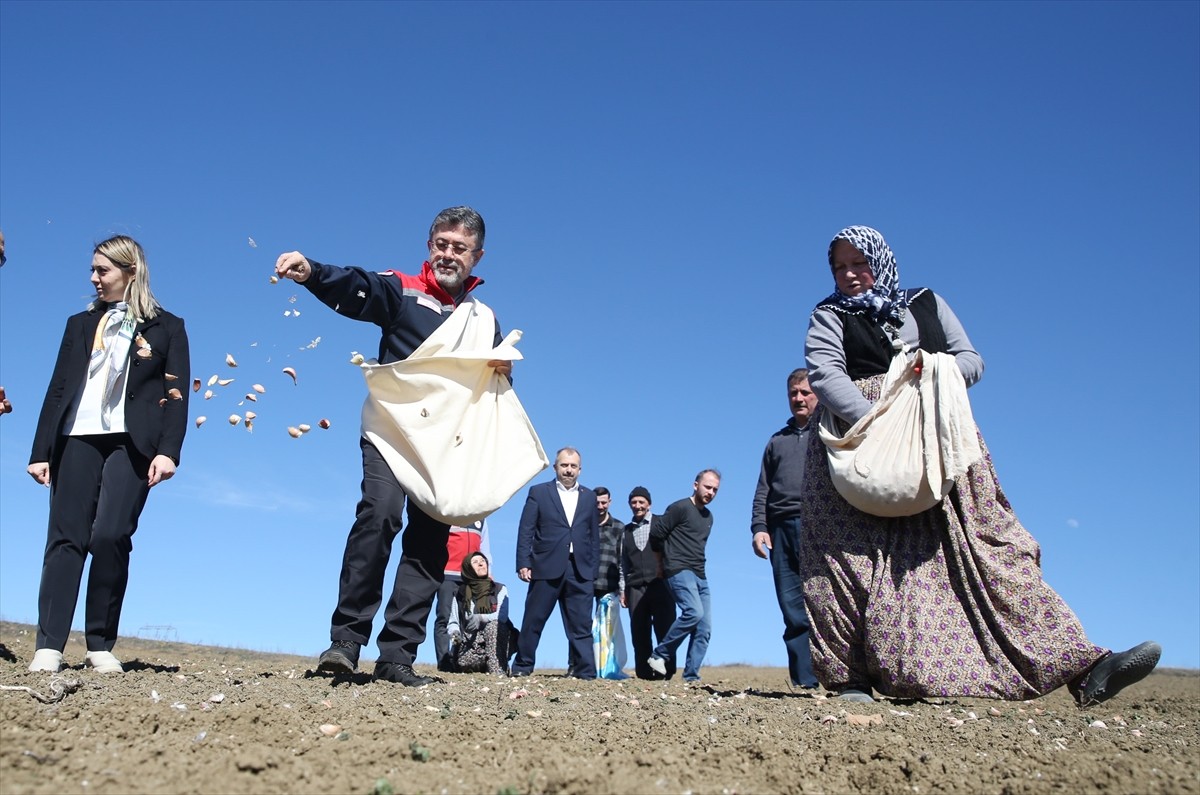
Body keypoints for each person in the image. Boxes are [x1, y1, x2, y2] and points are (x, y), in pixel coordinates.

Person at [801, 224, 1160, 705]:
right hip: (859, 443)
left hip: (938, 441)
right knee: (846, 557)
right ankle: (851, 681)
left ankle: (1086, 666)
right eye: (839, 267)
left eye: (859, 263)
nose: (849, 275)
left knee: (990, 547)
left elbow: (971, 360)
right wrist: (880, 425)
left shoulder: (926, 302)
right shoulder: (828, 315)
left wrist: (937, 369)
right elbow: (825, 373)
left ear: (881, 260)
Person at [275, 206, 512, 687]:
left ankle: (397, 656)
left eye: (459, 248)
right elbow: (359, 286)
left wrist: (505, 370)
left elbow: (495, 383)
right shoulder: (402, 289)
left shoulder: (484, 319)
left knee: (428, 543)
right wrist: (313, 273)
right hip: (390, 432)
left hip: (445, 449)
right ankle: (345, 642)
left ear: (477, 255)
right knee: (380, 514)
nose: (448, 254)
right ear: (430, 246)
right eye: (441, 244)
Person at [26, 235, 190, 674]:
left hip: (133, 442)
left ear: (130, 272)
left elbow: (175, 393)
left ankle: (99, 642)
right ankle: (50, 645)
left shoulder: (168, 327)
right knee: (66, 537)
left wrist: (169, 451)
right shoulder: (78, 324)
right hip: (76, 436)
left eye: (103, 270)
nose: (94, 278)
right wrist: (41, 450)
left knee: (111, 535)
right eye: (93, 270)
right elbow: (58, 387)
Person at [751, 368, 820, 690]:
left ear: (818, 393)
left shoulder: (832, 434)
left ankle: (839, 675)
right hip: (780, 529)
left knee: (825, 602)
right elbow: (763, 489)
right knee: (791, 605)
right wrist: (759, 527)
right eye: (793, 393)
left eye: (805, 392)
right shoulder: (776, 441)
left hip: (822, 527)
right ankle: (805, 680)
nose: (799, 398)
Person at [512, 447, 599, 678]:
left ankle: (586, 672)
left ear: (580, 469)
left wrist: (593, 569)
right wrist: (523, 561)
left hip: (579, 569)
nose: (568, 470)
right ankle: (522, 667)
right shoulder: (539, 492)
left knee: (581, 624)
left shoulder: (589, 497)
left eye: (573, 466)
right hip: (545, 565)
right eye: (564, 465)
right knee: (533, 619)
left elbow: (593, 536)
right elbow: (526, 530)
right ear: (555, 467)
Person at [646, 470, 721, 683]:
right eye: (708, 487)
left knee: (705, 628)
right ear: (695, 485)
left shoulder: (708, 517)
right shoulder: (679, 508)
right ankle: (659, 654)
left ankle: (691, 677)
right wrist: (661, 563)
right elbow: (656, 534)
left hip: (700, 573)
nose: (711, 492)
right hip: (678, 569)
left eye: (715, 490)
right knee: (694, 612)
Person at [621, 486, 676, 680]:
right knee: (639, 631)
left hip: (661, 585)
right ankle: (644, 673)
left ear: (649, 504)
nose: (637, 506)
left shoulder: (662, 523)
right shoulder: (625, 531)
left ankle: (667, 671)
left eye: (641, 502)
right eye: (634, 502)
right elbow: (623, 564)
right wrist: (623, 590)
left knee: (665, 628)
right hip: (635, 586)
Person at [433, 521, 490, 672]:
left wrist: (488, 573)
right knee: (444, 618)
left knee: (469, 620)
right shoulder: (451, 512)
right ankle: (444, 661)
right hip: (447, 575)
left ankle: (459, 657)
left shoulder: (481, 518)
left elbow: (485, 549)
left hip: (471, 578)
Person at [447, 552, 516, 675]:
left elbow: (502, 617)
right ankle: (479, 666)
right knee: (463, 663)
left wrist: (480, 617)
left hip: (494, 643)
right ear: (468, 569)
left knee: (494, 626)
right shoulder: (460, 593)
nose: (480, 563)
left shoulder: (500, 589)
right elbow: (453, 622)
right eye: (475, 562)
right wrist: (455, 635)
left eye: (483, 560)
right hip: (469, 644)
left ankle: (497, 670)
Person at [591, 486, 628, 678]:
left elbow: (622, 561)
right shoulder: (584, 526)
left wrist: (622, 589)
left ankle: (606, 667)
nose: (600, 506)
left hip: (608, 585)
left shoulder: (619, 528)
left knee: (608, 629)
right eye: (596, 503)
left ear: (610, 502)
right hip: (585, 583)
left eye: (603, 502)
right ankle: (579, 665)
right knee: (580, 627)